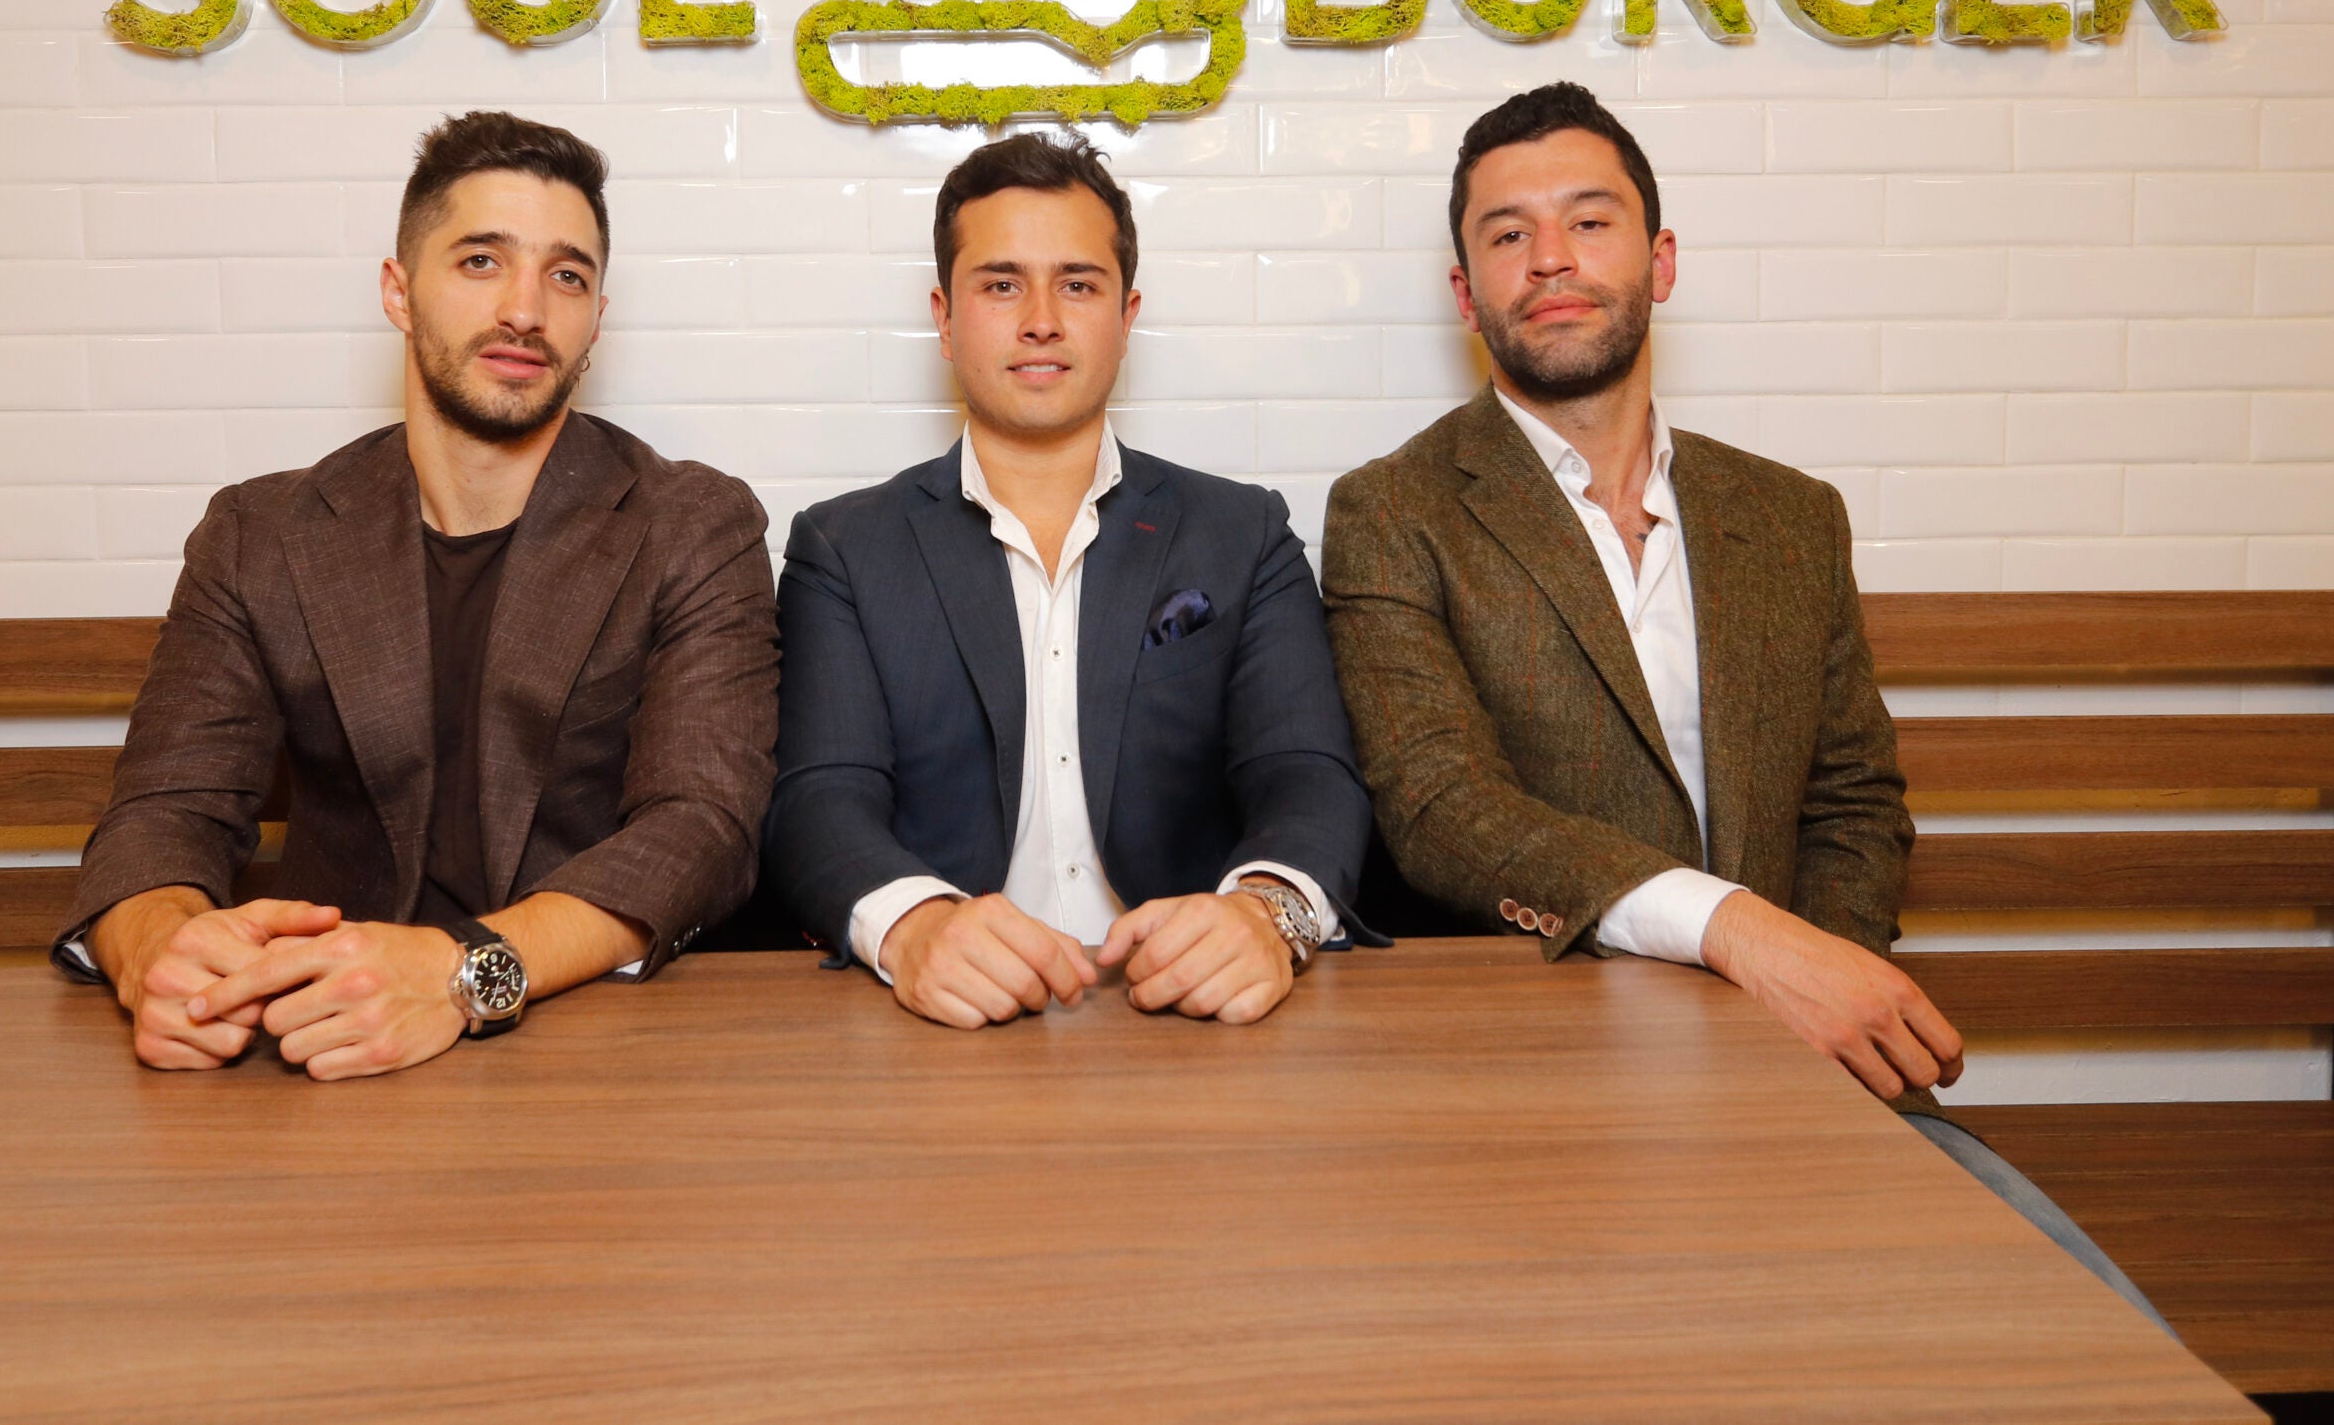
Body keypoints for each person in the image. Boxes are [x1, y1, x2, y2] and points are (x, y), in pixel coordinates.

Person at [1320, 80, 2169, 1326]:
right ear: (1466, 292)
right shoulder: (1391, 511)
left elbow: (1852, 800)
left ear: (1659, 260)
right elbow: (1442, 808)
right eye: (1507, 233)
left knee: (2069, 1335)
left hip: (1808, 1073)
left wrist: (1816, 997)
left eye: (1588, 221)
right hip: (1539, 1094)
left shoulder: (1789, 516)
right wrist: (1742, 935)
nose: (1549, 257)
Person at [53, 111, 778, 1080]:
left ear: (597, 318)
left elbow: (700, 825)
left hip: (600, 1046)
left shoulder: (688, 523)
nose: (525, 309)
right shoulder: (261, 534)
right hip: (322, 1044)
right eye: (481, 261)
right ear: (398, 291)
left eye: (566, 276)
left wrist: (460, 971)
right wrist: (159, 950)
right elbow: (164, 809)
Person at [762, 132, 1374, 1030]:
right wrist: (916, 928)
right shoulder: (845, 548)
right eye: (1002, 284)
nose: (1041, 319)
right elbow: (819, 800)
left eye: (1078, 285)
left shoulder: (1243, 533)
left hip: (1187, 1013)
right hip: (942, 1023)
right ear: (944, 318)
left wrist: (1265, 914)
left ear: (1126, 317)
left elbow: (1306, 773)